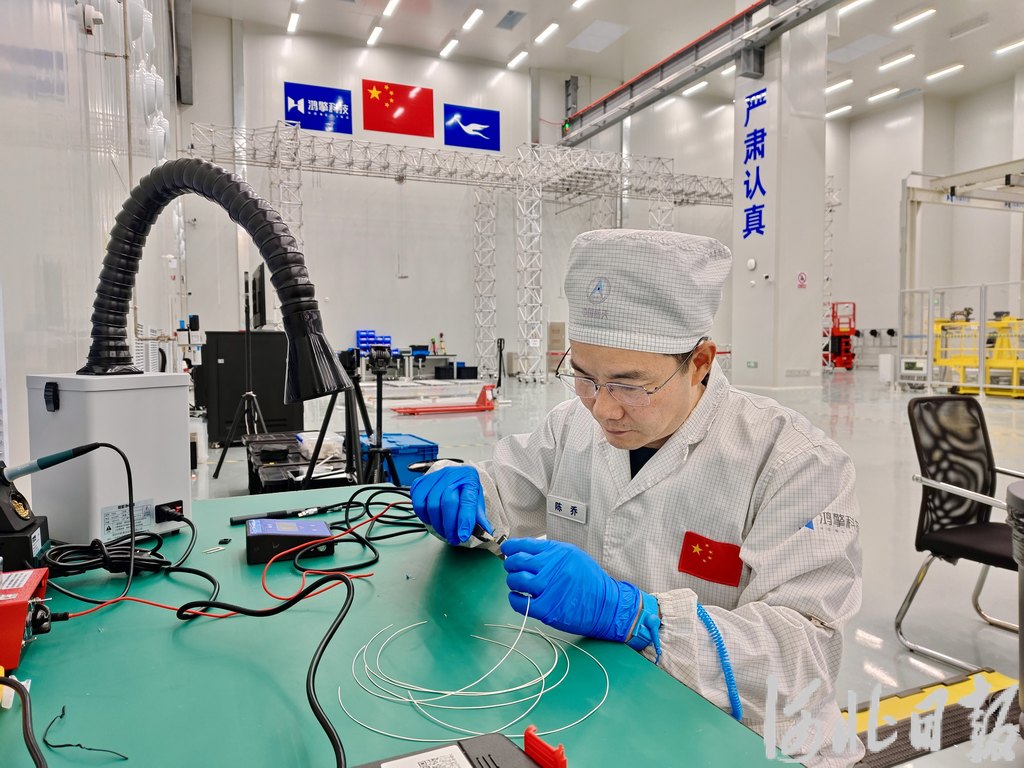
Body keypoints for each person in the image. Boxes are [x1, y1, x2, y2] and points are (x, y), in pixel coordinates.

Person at [411, 229, 863, 767]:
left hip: (744, 737)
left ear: (700, 362)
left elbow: (805, 654)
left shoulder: (794, 462)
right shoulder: (571, 427)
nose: (604, 409)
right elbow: (500, 494)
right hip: (610, 709)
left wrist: (638, 617)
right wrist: (459, 488)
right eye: (585, 378)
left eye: (630, 385)